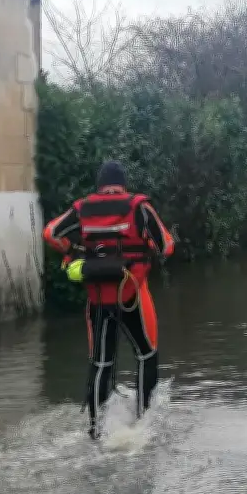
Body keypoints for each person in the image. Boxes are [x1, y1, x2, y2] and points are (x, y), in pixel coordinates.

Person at [43, 160, 175, 440]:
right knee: (146, 354)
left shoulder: (82, 208)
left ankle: (95, 428)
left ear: (100, 185)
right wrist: (146, 247)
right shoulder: (138, 207)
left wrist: (72, 247)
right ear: (122, 184)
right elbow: (166, 245)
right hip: (132, 292)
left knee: (101, 362)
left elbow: (51, 233)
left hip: (97, 296)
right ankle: (143, 423)